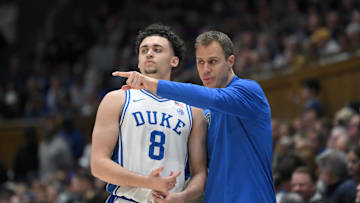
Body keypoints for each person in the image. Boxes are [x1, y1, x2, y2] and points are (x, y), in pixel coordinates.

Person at [113, 30, 276, 202]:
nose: (205, 70)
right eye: (200, 62)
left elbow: (210, 97)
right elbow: (199, 169)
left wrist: (149, 83)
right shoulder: (203, 113)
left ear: (230, 61)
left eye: (212, 62)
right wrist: (181, 197)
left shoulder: (249, 91)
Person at [91, 24, 207, 203]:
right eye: (144, 50)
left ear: (174, 61)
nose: (149, 53)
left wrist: (182, 197)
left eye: (157, 49)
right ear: (138, 61)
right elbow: (98, 165)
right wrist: (147, 182)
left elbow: (199, 173)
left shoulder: (193, 110)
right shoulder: (117, 99)